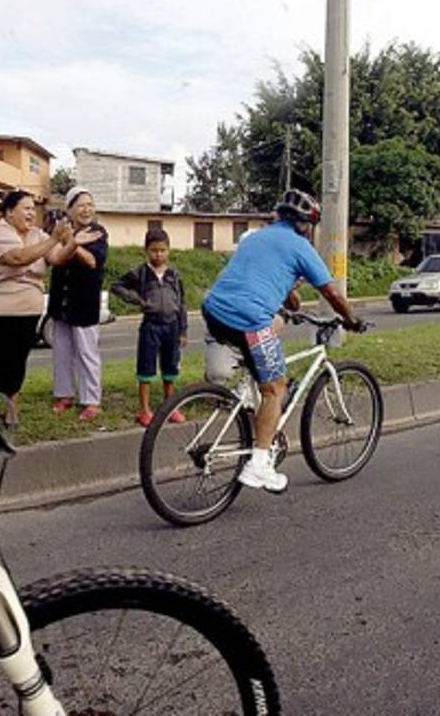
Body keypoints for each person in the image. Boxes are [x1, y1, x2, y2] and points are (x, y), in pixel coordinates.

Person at [201, 189, 363, 494]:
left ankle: (248, 399)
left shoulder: (256, 238)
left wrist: (290, 292)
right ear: (307, 225)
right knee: (276, 388)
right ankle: (259, 464)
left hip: (214, 310)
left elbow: (273, 286)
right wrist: (351, 320)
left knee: (264, 349)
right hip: (248, 319)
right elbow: (332, 293)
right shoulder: (302, 248)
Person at [0, 190, 79, 427]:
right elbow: (17, 258)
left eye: (33, 209)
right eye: (26, 208)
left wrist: (73, 242)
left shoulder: (37, 235)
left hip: (23, 313)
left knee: (15, 362)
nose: (31, 213)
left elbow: (56, 258)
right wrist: (54, 239)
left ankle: (11, 410)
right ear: (9, 212)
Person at [110, 228, 188, 427]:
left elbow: (182, 304)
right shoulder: (141, 273)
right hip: (150, 327)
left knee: (170, 368)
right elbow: (117, 286)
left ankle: (170, 406)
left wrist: (183, 330)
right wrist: (137, 299)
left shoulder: (175, 275)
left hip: (172, 327)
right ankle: (144, 410)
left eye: (163, 250)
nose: (159, 254)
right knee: (146, 368)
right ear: (146, 251)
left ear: (169, 250)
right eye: (154, 250)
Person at [46, 187, 108, 422]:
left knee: (86, 352)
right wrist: (65, 239)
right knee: (61, 351)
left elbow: (93, 261)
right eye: (81, 205)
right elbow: (53, 256)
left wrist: (73, 243)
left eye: (90, 205)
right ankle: (64, 395)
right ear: (69, 209)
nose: (87, 209)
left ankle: (92, 400)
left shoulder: (98, 232)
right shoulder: (60, 229)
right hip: (61, 300)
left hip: (84, 302)